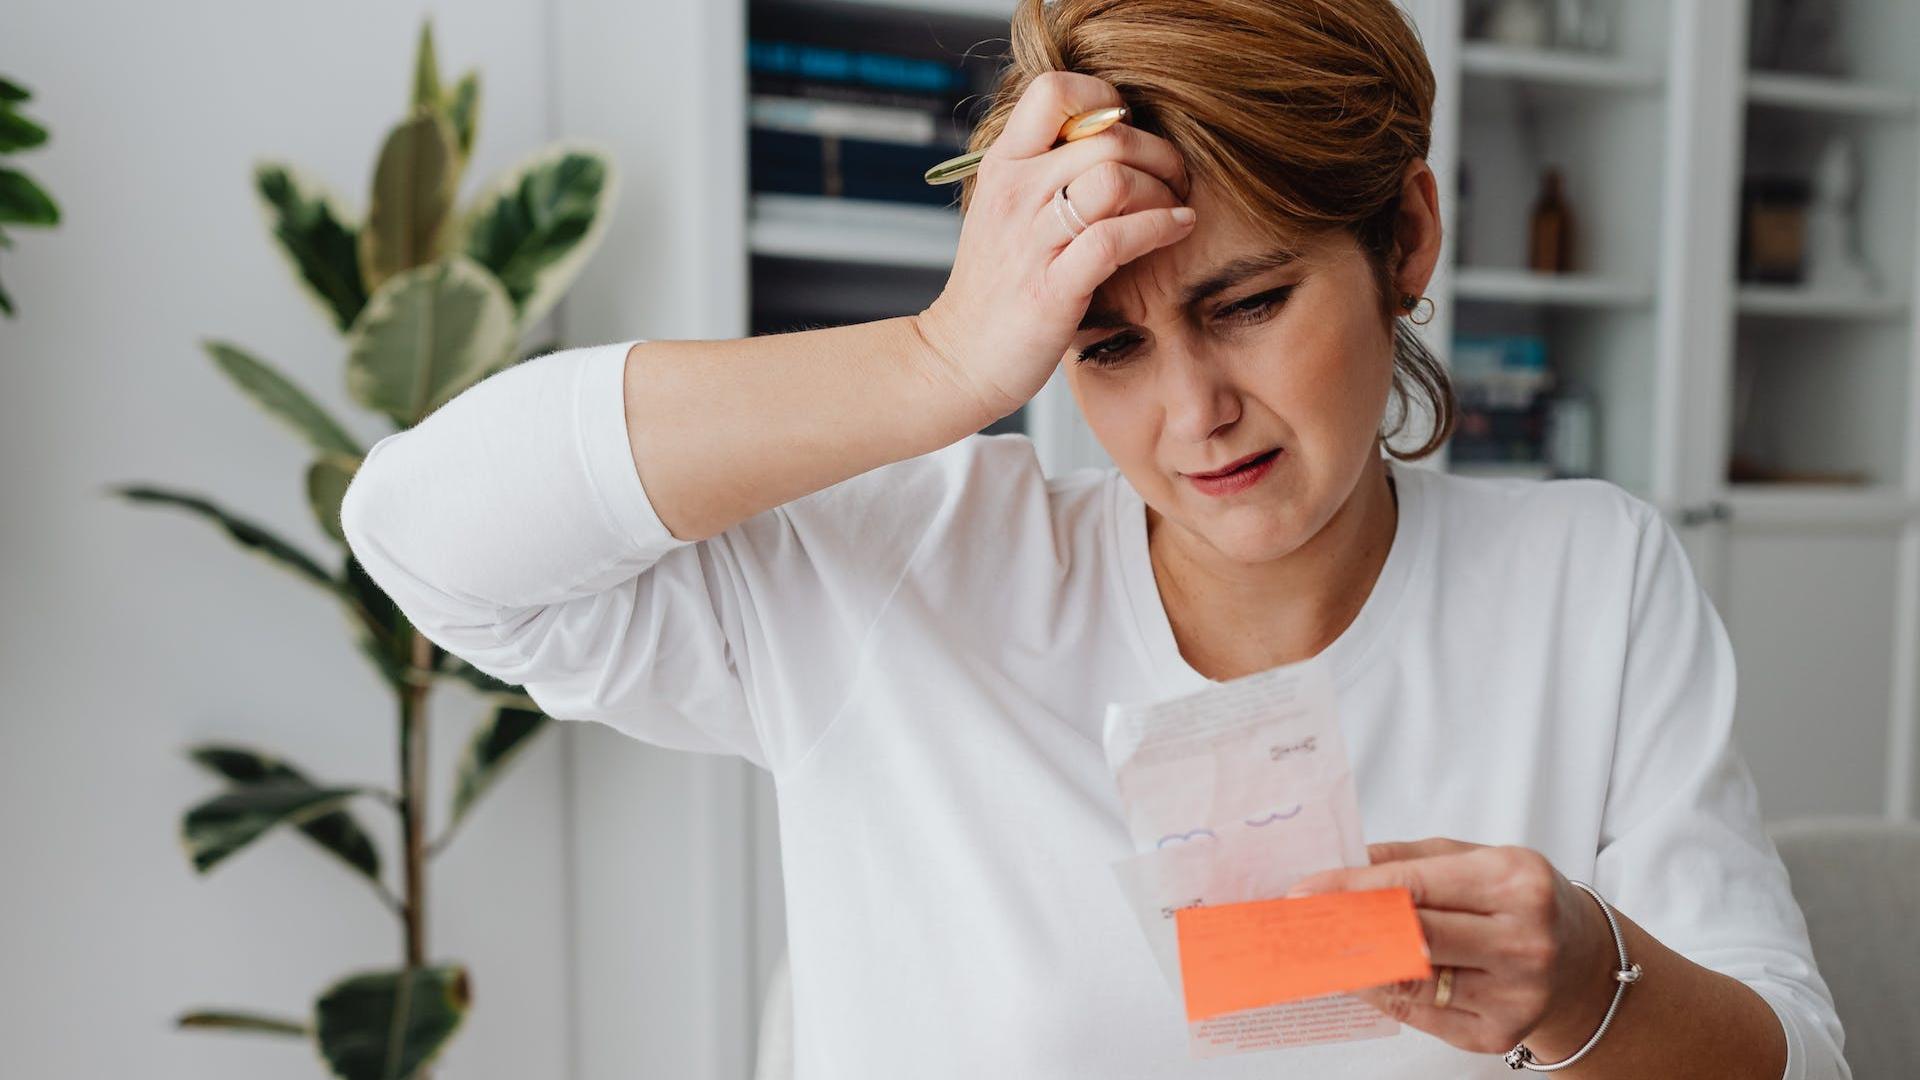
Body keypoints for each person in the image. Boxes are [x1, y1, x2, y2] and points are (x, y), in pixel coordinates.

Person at [339, 0, 1848, 1075]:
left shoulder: (1591, 583)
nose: (1196, 414)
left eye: (1247, 304)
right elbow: (423, 531)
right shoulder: (904, 574)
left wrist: (1587, 984)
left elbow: (1798, 1064)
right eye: (1106, 345)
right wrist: (942, 361)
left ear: (1405, 237)